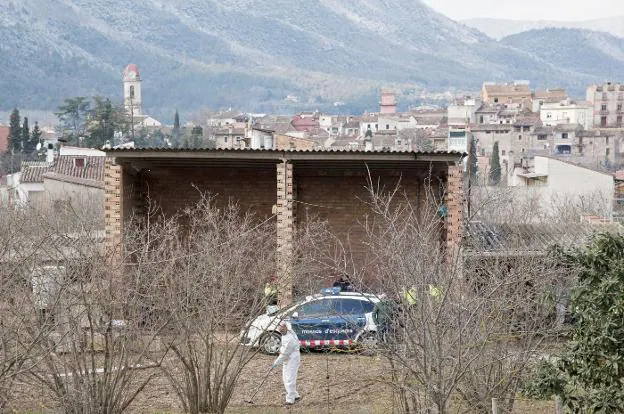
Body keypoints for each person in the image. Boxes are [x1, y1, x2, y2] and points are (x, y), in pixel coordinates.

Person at [271, 321, 301, 405]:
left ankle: (290, 399)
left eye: (282, 329)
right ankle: (295, 395)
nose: (281, 330)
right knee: (286, 377)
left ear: (286, 328)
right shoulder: (287, 333)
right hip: (288, 358)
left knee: (289, 378)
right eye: (280, 328)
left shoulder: (290, 339)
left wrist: (275, 363)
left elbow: (284, 354)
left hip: (292, 359)